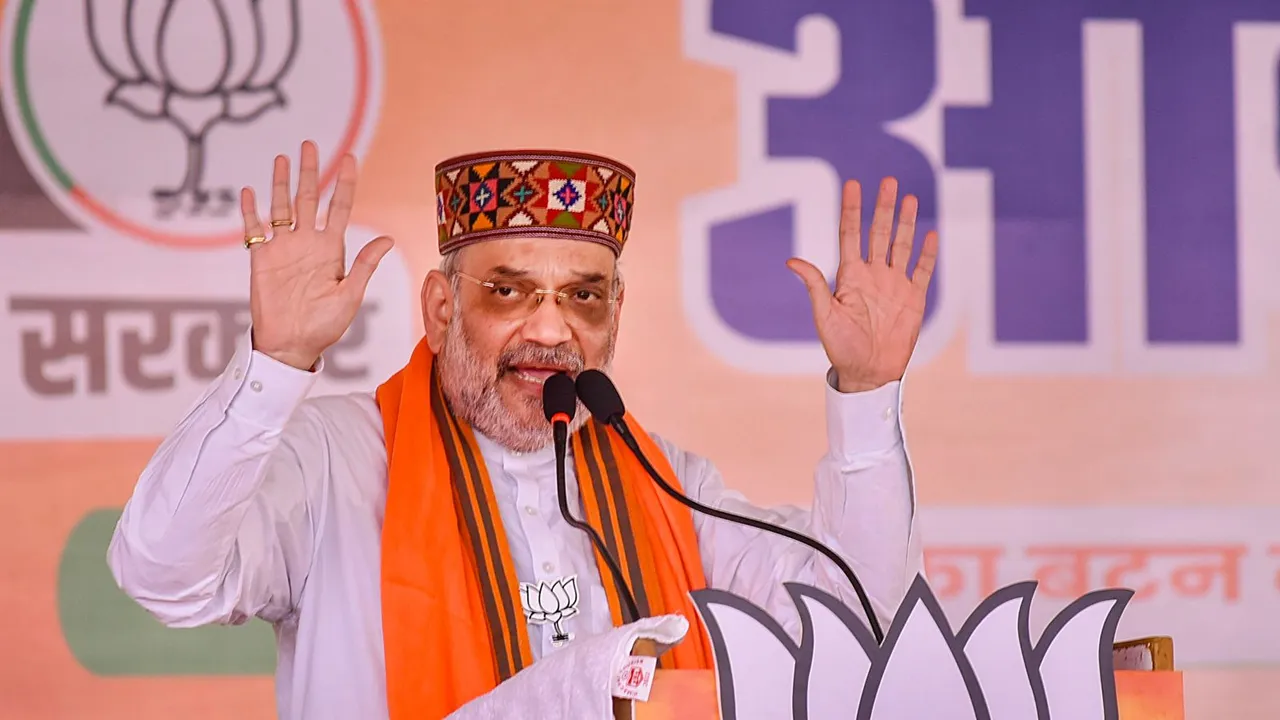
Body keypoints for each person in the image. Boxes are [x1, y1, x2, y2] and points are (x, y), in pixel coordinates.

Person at [108, 143, 938, 719]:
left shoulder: (668, 485)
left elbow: (858, 618)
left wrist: (866, 393)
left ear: (616, 317)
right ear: (440, 310)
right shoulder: (340, 459)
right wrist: (276, 363)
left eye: (583, 295)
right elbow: (162, 574)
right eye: (508, 291)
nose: (550, 329)